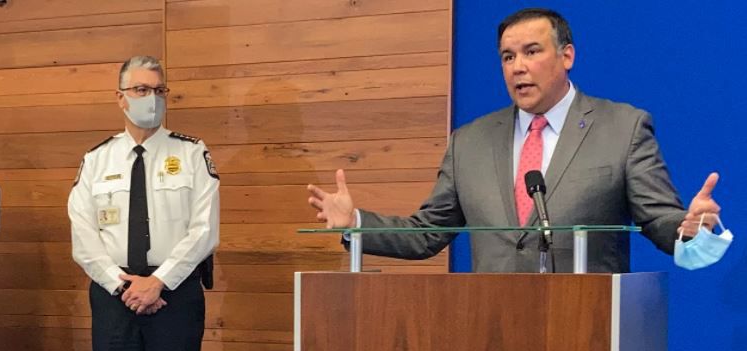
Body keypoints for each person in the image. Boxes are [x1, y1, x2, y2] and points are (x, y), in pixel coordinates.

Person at [307, 8, 721, 273]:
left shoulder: (623, 128)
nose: (518, 67)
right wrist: (356, 224)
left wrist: (693, 231)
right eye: (508, 57)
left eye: (531, 52)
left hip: (590, 336)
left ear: (567, 56)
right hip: (494, 337)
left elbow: (659, 220)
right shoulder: (469, 143)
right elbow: (428, 233)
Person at [68, 55, 220, 351]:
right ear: (120, 98)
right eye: (141, 90)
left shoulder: (191, 154)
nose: (151, 98)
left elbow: (204, 231)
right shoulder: (96, 160)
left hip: (175, 297)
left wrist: (158, 282)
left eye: (158, 90)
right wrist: (124, 288)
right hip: (114, 298)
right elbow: (83, 238)